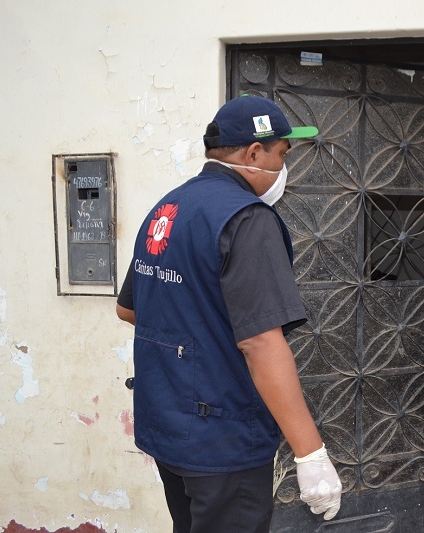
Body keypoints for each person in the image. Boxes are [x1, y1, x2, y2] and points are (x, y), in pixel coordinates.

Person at [115, 95, 342, 532]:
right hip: (222, 437)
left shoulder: (167, 208)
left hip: (167, 424)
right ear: (255, 152)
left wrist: (195, 324)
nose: (283, 168)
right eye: (281, 154)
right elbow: (260, 343)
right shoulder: (247, 219)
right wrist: (311, 453)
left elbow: (129, 309)